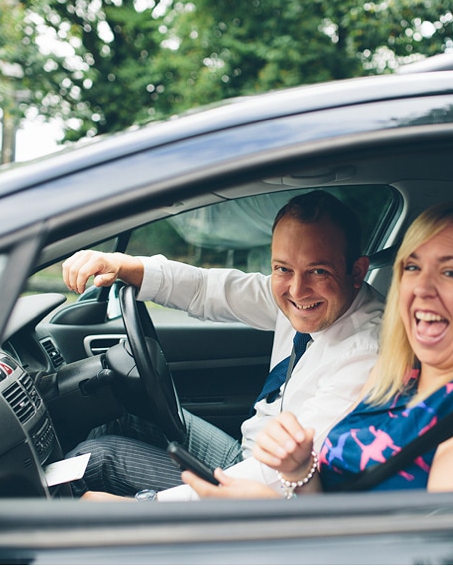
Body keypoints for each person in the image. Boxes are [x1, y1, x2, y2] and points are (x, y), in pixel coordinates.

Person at [182, 201, 453, 499]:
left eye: (450, 272)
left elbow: (439, 550)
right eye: (412, 267)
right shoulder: (398, 372)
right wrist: (299, 472)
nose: (421, 289)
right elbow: (334, 503)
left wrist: (270, 519)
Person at [61, 190, 384, 501]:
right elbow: (208, 289)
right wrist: (123, 266)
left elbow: (278, 476)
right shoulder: (311, 301)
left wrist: (146, 506)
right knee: (116, 409)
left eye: (318, 271)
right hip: (247, 454)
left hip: (258, 490)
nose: (298, 290)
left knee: (95, 462)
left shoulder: (366, 353)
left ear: (356, 272)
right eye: (282, 268)